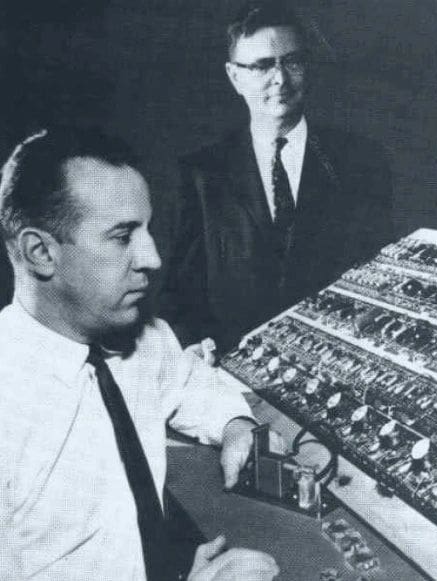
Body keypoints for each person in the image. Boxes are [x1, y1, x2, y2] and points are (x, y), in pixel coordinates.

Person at [0, 127, 279, 581]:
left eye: (147, 230)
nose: (151, 258)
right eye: (122, 236)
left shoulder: (142, 339)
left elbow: (190, 381)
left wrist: (235, 425)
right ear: (41, 253)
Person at [161, 0, 394, 352]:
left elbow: (383, 276)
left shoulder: (363, 161)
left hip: (338, 368)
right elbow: (178, 294)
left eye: (293, 61)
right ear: (234, 76)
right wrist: (195, 344)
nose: (280, 79)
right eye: (261, 66)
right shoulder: (200, 174)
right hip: (231, 375)